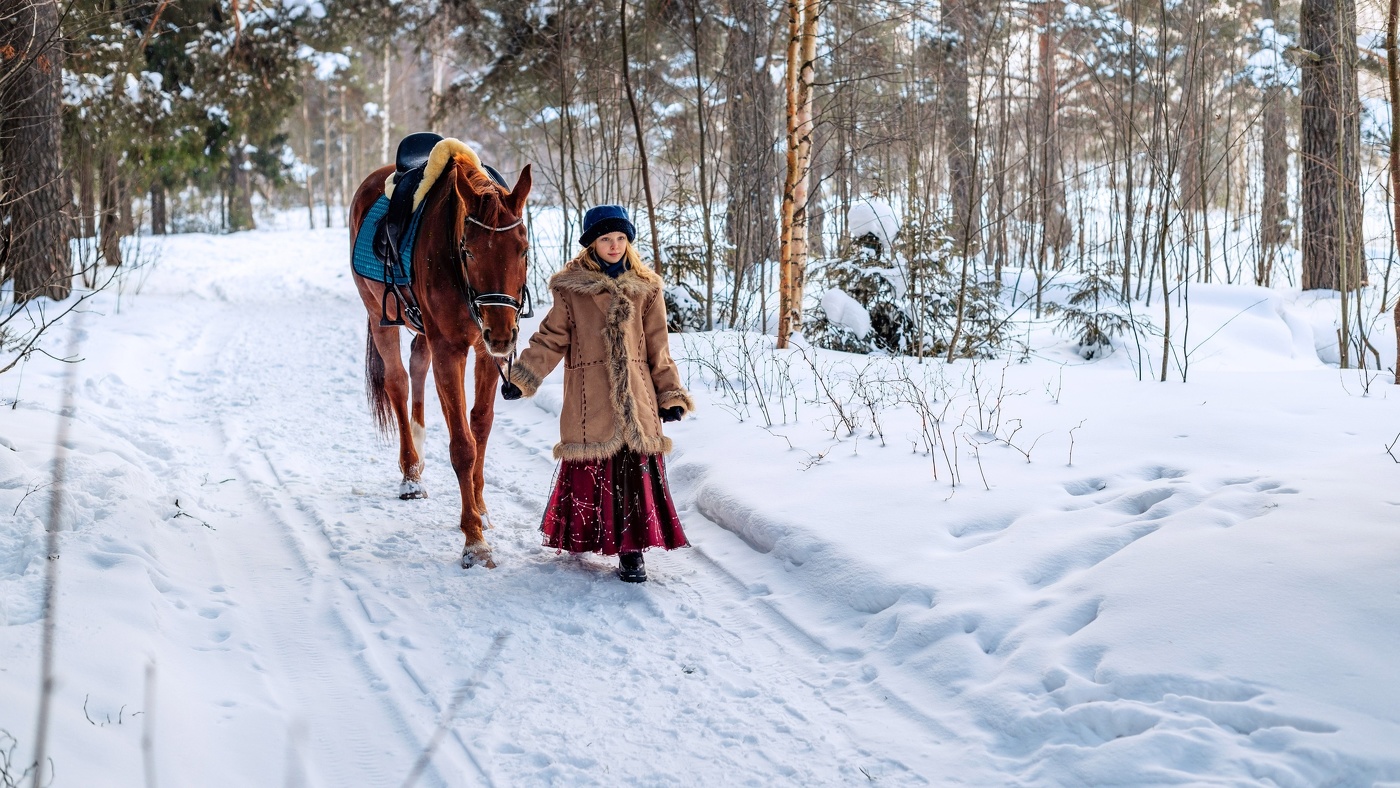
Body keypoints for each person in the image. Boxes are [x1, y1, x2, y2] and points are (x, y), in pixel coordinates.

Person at [501, 204, 694, 582]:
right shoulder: (572, 289)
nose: (615, 245)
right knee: (598, 468)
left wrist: (670, 395)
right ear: (591, 243)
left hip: (637, 399)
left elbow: (659, 348)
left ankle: (631, 552)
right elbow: (552, 338)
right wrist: (523, 376)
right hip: (592, 400)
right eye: (606, 239)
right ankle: (587, 536)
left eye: (621, 238)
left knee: (632, 474)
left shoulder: (646, 288)